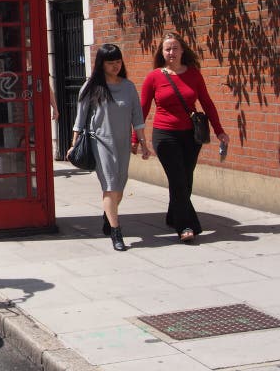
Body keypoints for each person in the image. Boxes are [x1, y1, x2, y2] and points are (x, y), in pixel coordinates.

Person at [136, 32, 229, 243]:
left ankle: (173, 214)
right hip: (165, 135)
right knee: (178, 179)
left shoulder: (194, 74)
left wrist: (219, 130)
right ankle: (186, 225)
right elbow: (142, 109)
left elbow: (207, 103)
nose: (171, 52)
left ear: (182, 50)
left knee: (186, 180)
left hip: (191, 136)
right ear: (162, 52)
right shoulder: (153, 77)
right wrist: (135, 137)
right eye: (167, 49)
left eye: (175, 48)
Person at [69, 44, 150, 251]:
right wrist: (73, 144)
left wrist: (143, 143)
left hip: (122, 144)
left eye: (118, 62)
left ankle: (108, 216)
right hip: (101, 142)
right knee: (111, 186)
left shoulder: (128, 87)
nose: (115, 66)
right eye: (110, 62)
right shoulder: (91, 87)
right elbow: (80, 119)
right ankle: (116, 232)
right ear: (101, 64)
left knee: (119, 187)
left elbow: (137, 118)